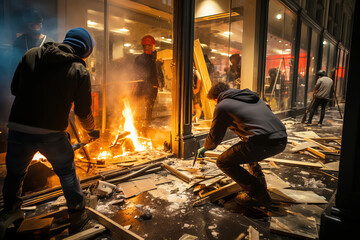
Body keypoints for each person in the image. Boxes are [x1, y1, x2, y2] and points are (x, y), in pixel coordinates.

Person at [0, 27, 99, 235]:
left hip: (18, 128)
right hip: (51, 133)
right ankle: (78, 216)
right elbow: (83, 111)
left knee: (15, 174)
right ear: (85, 51)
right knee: (67, 172)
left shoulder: (32, 54)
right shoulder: (79, 69)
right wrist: (92, 130)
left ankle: (10, 212)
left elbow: (15, 89)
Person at [197, 82, 287, 206]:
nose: (214, 105)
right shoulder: (252, 97)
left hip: (263, 142)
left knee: (223, 161)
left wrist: (205, 147)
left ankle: (258, 194)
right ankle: (259, 182)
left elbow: (214, 138)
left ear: (215, 98)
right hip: (281, 138)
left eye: (213, 103)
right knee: (246, 149)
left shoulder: (222, 106)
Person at [133, 35, 164, 125]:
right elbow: (158, 73)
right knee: (149, 106)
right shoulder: (155, 59)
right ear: (153, 46)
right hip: (150, 86)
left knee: (139, 106)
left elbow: (135, 73)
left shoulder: (138, 58)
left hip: (141, 85)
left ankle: (138, 122)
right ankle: (147, 123)